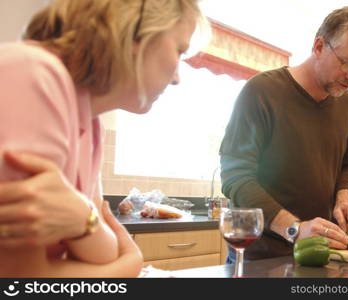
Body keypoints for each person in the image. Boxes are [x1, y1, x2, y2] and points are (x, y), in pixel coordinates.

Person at [0, 0, 206, 276]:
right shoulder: (33, 76)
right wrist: (128, 264)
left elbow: (102, 245)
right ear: (136, 33)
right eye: (179, 50)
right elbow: (21, 279)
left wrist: (84, 220)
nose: (177, 78)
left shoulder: (91, 123)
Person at [219, 6, 348, 261]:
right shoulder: (262, 92)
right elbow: (236, 177)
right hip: (261, 258)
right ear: (319, 46)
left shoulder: (346, 102)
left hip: (319, 254)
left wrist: (345, 199)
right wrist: (295, 229)